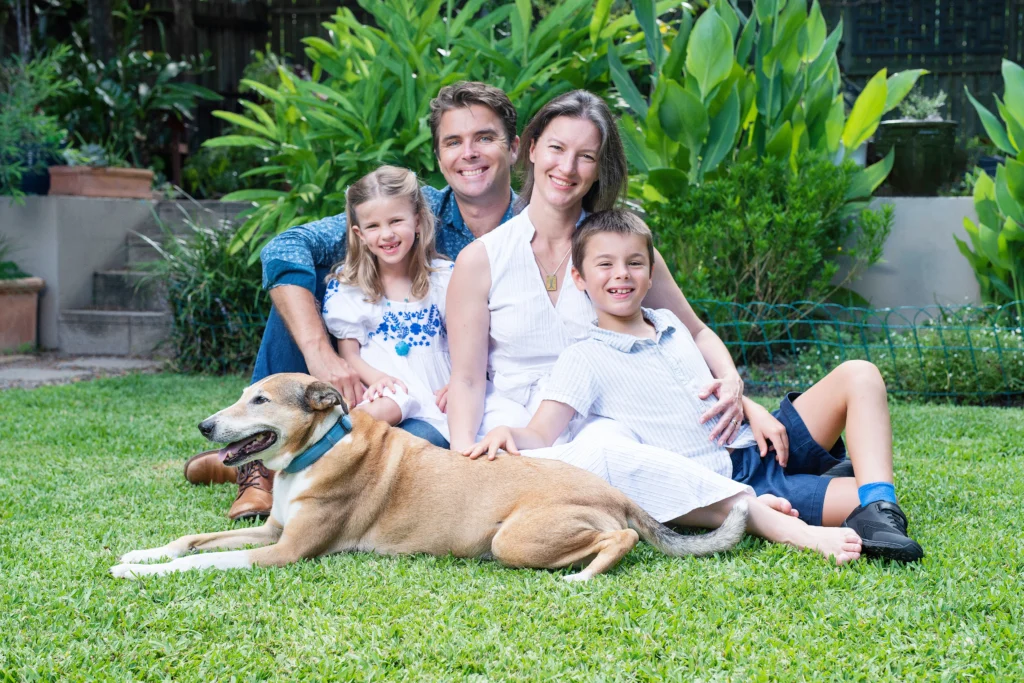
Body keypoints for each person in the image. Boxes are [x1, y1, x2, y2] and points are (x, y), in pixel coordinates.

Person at [445, 90, 864, 564]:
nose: (567, 168)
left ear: (601, 168)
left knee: (613, 448)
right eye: (558, 149)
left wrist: (735, 388)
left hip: (621, 421)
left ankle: (759, 498)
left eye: (586, 156)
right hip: (530, 430)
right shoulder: (482, 259)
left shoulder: (621, 250)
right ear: (532, 148)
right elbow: (465, 377)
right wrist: (462, 455)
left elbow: (689, 336)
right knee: (602, 459)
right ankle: (754, 508)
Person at [469, 210, 923, 562]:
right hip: (729, 482)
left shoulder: (668, 322)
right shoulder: (582, 356)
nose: (621, 274)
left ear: (651, 272)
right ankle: (853, 488)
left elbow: (709, 381)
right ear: (579, 279)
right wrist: (512, 436)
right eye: (604, 265)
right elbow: (543, 433)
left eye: (634, 263)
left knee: (859, 373)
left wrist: (746, 402)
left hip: (761, 444)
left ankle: (878, 507)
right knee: (855, 495)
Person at [183, 81, 523, 520]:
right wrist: (322, 354)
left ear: (514, 148)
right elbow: (285, 247)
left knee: (422, 448)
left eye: (485, 138)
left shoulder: (540, 225)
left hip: (467, 389)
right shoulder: (405, 209)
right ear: (439, 157)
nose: (469, 153)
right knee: (302, 285)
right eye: (453, 141)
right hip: (380, 377)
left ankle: (282, 458)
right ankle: (256, 471)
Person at [320, 166, 453, 438]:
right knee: (388, 405)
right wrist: (377, 378)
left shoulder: (443, 279)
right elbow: (349, 355)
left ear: (417, 221)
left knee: (421, 443)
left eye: (396, 221)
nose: (386, 234)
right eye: (373, 226)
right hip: (387, 390)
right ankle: (324, 445)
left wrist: (459, 382)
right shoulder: (352, 289)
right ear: (360, 235)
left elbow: (467, 342)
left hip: (436, 394)